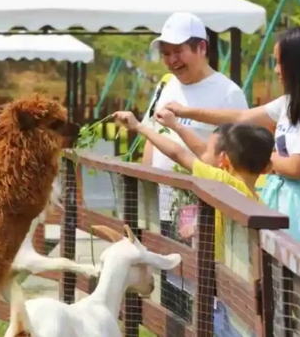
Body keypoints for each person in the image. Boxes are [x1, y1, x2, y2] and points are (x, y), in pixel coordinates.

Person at [164, 26, 300, 254]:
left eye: (280, 62)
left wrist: (253, 157)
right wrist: (186, 112)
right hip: (284, 199)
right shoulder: (289, 103)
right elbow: (242, 116)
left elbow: (296, 166)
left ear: (298, 65)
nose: (276, 70)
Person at [113, 109, 274, 337]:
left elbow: (179, 154)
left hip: (222, 288)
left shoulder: (224, 183)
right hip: (247, 291)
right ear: (267, 167)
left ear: (224, 160)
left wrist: (139, 126)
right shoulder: (262, 197)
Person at [142, 12, 248, 316]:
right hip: (165, 208)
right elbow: (152, 137)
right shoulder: (165, 87)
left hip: (204, 214)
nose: (172, 60)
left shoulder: (228, 93)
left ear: (202, 48)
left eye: (179, 52)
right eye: (166, 54)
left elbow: (233, 162)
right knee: (173, 299)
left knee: (203, 300)